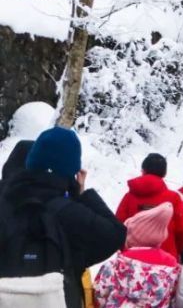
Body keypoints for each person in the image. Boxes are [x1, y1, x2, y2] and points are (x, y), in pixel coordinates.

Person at [0, 127, 126, 307]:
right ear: (72, 171)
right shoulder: (70, 213)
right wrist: (82, 194)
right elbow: (116, 234)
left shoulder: (5, 201)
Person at [93, 202, 180, 308]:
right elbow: (176, 299)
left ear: (132, 237)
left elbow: (100, 293)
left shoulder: (115, 265)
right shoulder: (173, 268)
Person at [115, 153, 183, 260]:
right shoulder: (173, 198)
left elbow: (117, 226)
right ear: (164, 174)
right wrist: (177, 250)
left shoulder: (129, 197)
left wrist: (124, 249)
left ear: (143, 171)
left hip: (131, 260)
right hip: (165, 261)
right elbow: (182, 229)